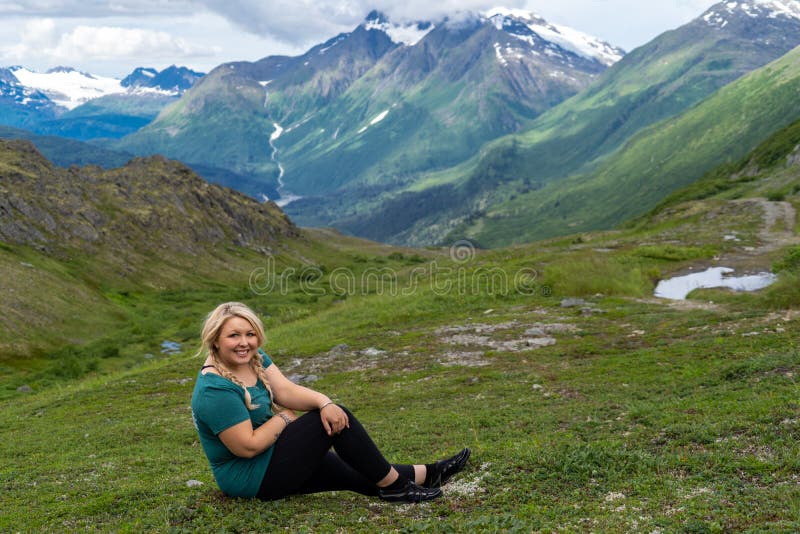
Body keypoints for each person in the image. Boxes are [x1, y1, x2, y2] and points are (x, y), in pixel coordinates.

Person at [190, 302, 470, 503]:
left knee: (353, 470)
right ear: (215, 340)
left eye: (250, 334)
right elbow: (247, 446)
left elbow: (285, 390)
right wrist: (285, 418)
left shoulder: (252, 357)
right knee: (329, 423)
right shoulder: (215, 389)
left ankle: (430, 473)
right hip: (251, 478)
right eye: (233, 335)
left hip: (273, 454)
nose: (244, 342)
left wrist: (325, 402)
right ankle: (396, 487)